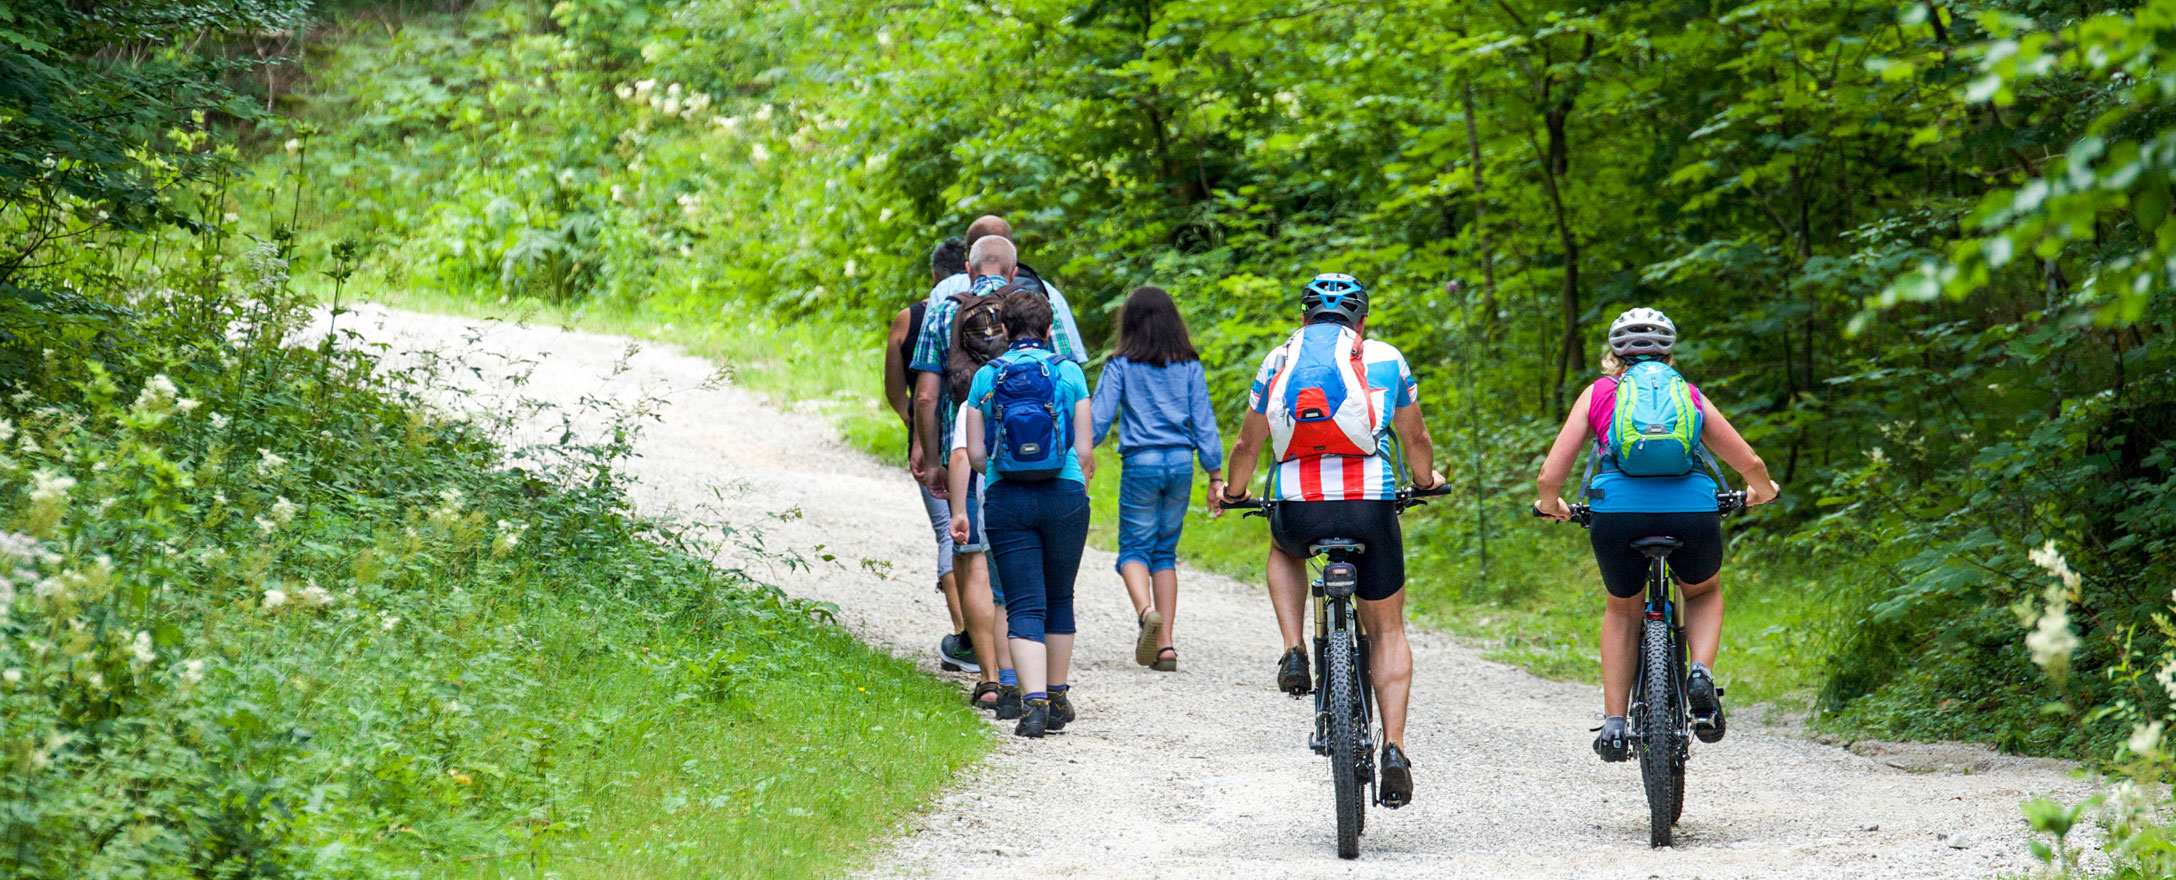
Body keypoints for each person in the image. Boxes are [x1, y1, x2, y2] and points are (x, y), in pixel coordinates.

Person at [1210, 273, 1443, 809]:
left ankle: (1293, 648)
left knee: (1282, 549)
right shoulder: (1387, 357)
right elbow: (1416, 437)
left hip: (1298, 509)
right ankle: (1394, 749)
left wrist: (1237, 491)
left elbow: (1249, 441)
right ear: (1361, 321)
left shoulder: (1278, 360)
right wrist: (1426, 481)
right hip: (1371, 507)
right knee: (1386, 630)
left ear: (1303, 318)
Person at [1531, 307, 1780, 762]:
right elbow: (1750, 465)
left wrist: (1552, 506)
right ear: (1668, 352)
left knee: (1622, 609)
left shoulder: (1599, 394)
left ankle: (1613, 723)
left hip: (1617, 516)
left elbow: (1551, 476)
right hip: (1692, 512)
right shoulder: (1687, 394)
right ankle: (1701, 673)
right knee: (1702, 591)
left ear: (1614, 354)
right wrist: (1760, 492)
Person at [954, 291, 1095, 738]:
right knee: (1060, 597)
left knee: (1022, 603)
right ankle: (1056, 695)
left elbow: (976, 455)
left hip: (1007, 497)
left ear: (1006, 329)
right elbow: (1086, 450)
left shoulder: (987, 378)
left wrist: (1003, 467)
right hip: (1065, 493)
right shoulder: (1069, 372)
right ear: (1050, 328)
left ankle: (1031, 703)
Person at [1090, 286, 1223, 672]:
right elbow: (1205, 423)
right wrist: (1215, 474)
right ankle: (1165, 647)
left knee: (1134, 549)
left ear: (1128, 324)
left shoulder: (1121, 366)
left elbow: (1099, 421)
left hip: (1142, 463)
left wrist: (1080, 448)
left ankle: (1146, 611)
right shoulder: (1189, 366)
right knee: (1165, 553)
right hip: (1181, 463)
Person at [886, 237, 977, 673]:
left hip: (936, 436)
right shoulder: (996, 312)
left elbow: (898, 389)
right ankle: (992, 634)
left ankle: (965, 634)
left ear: (933, 275)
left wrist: (916, 430)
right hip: (988, 437)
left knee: (949, 532)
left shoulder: (913, 317)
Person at [923, 215, 1087, 363]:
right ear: (1012, 252)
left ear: (969, 254)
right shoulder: (1045, 293)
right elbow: (1071, 361)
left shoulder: (945, 292)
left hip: (964, 394)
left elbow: (928, 370)